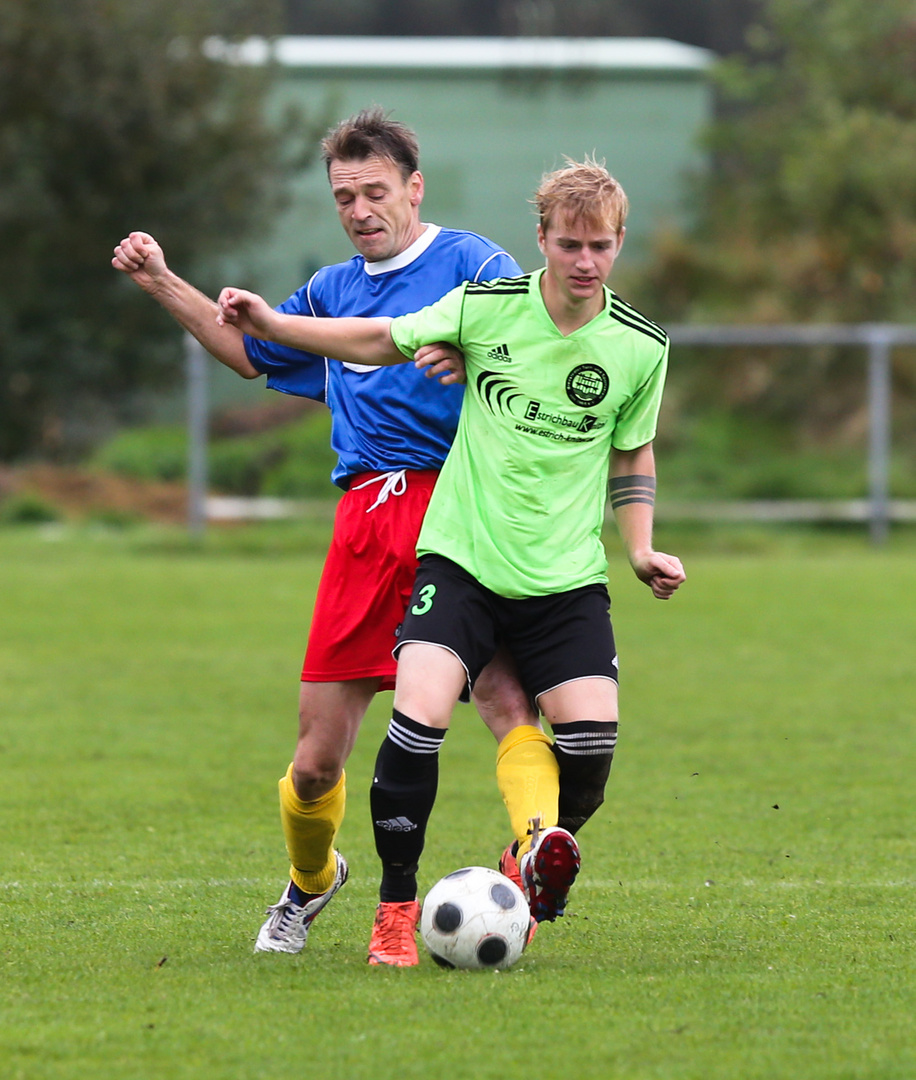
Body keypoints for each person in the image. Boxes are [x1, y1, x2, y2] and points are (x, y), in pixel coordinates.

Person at [216, 156, 687, 960]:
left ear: (618, 245)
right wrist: (271, 323)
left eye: (600, 246)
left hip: (565, 577)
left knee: (590, 760)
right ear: (540, 239)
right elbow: (375, 337)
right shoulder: (485, 307)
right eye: (569, 243)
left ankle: (528, 859)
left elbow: (633, 454)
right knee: (416, 719)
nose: (584, 260)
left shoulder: (640, 347)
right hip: (460, 558)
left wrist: (641, 548)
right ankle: (396, 907)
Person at [111, 107, 539, 966]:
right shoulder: (333, 291)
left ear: (415, 189)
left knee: (503, 701)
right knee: (314, 763)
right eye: (345, 195)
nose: (360, 209)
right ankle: (310, 883)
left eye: (376, 191)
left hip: (456, 515)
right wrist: (161, 278)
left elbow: (537, 340)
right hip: (361, 526)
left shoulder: (474, 264)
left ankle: (537, 855)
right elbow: (249, 349)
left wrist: (480, 352)